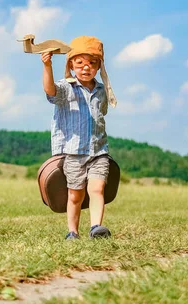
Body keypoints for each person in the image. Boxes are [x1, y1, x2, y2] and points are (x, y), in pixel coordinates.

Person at [42, 35, 117, 240]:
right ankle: (73, 232)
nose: (86, 68)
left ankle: (95, 228)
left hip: (98, 151)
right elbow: (50, 91)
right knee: (75, 194)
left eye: (92, 63)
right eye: (80, 63)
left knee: (97, 188)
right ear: (71, 64)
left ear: (99, 66)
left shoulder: (101, 90)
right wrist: (47, 66)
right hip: (74, 152)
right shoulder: (67, 87)